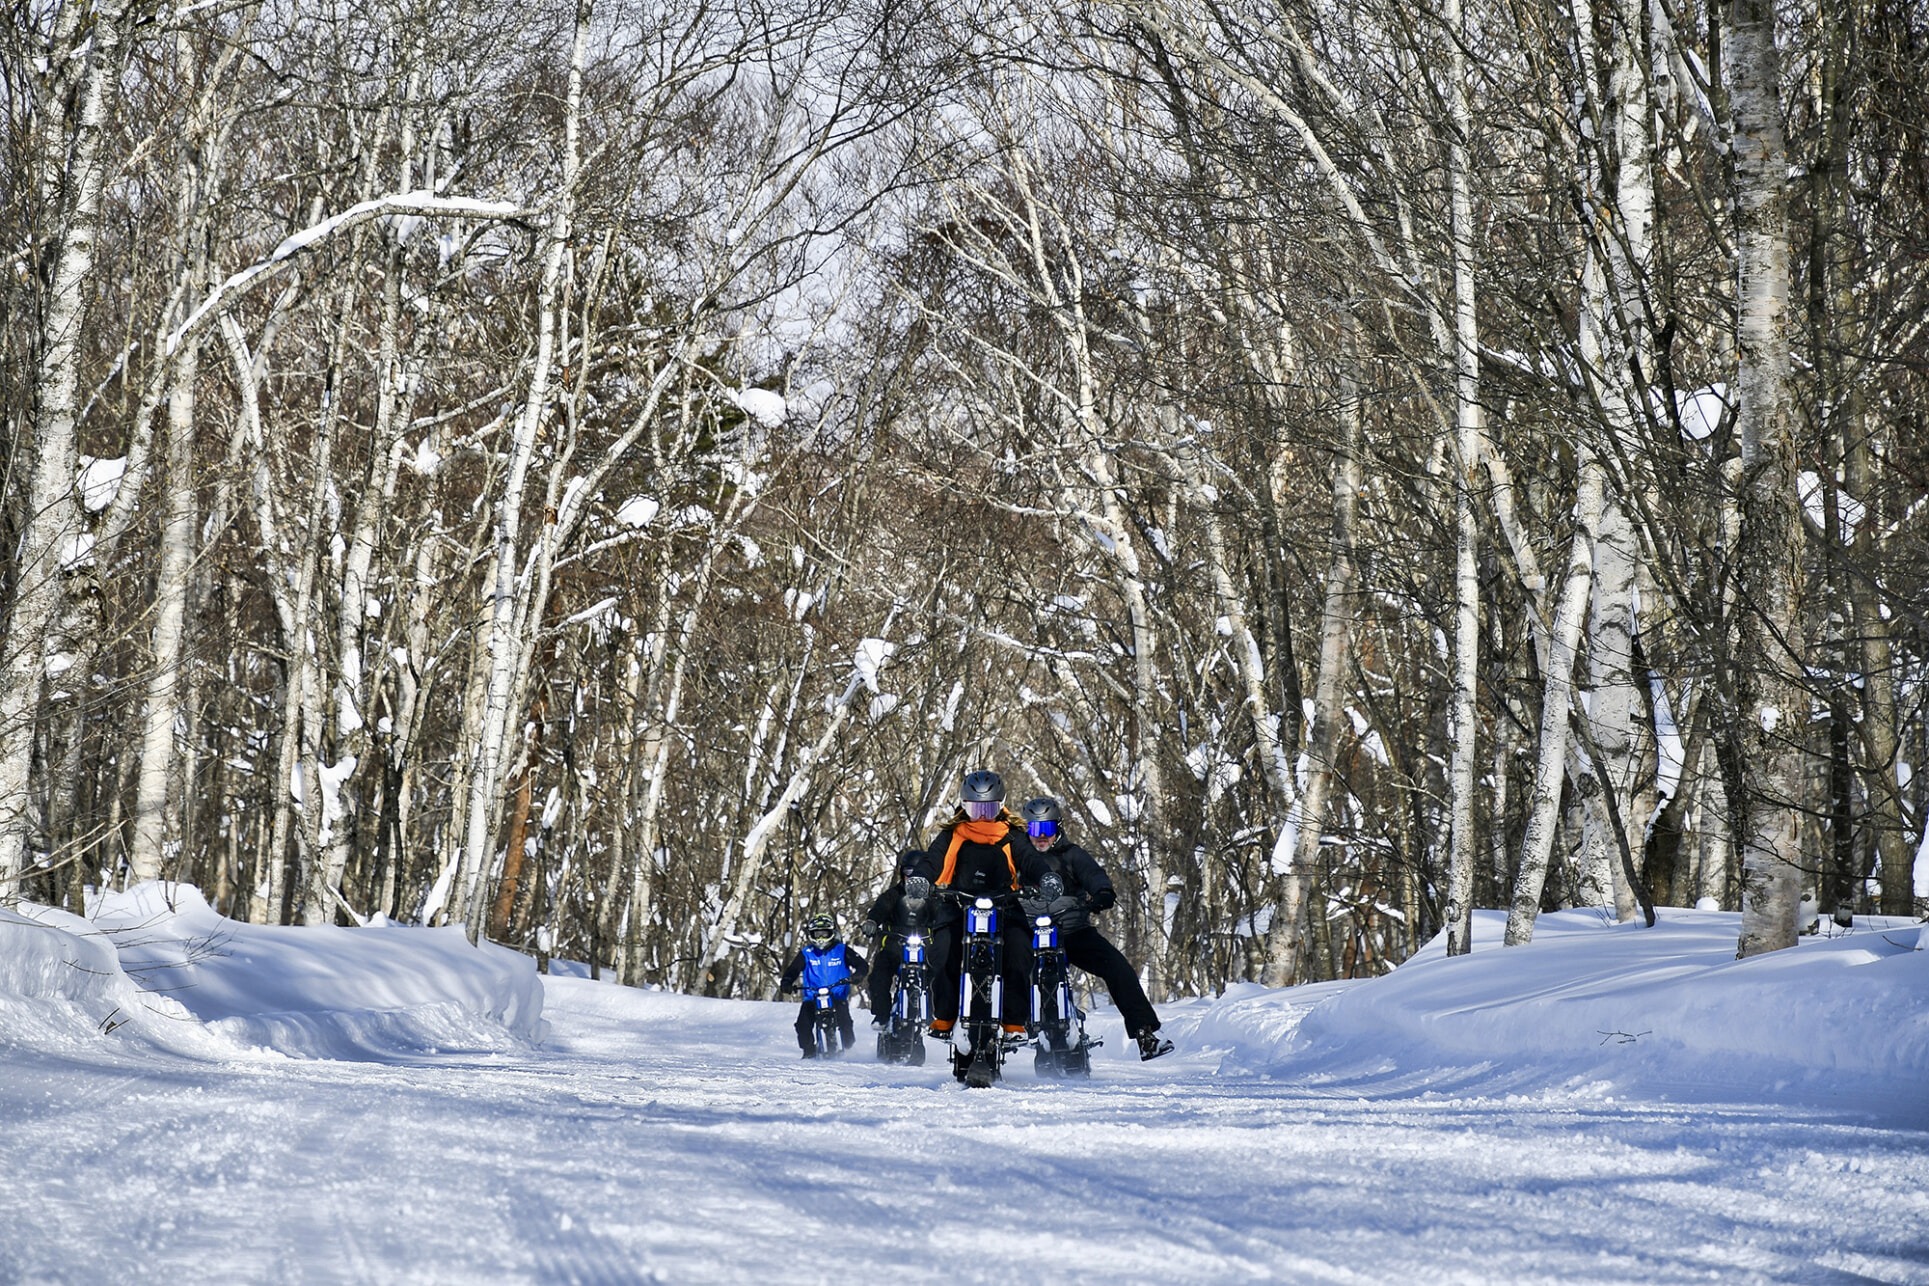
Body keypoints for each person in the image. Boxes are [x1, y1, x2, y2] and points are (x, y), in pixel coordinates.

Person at [1017, 795, 1174, 1060]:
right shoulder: (1018, 858)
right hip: (1029, 934)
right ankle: (989, 1036)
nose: (1041, 836)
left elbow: (1093, 875)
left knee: (1117, 967)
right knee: (1001, 964)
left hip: (1072, 932)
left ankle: (1145, 1035)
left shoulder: (1072, 855)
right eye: (1035, 829)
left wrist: (1102, 893)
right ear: (1026, 830)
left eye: (1048, 828)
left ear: (1058, 828)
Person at [908, 770, 1050, 1042]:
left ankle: (1013, 1022)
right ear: (964, 806)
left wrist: (1046, 877)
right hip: (958, 903)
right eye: (976, 809)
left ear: (1001, 806)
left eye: (989, 809)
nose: (983, 817)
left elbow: (1031, 859)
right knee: (942, 952)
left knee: (1020, 951)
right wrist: (920, 878)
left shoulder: (1013, 835)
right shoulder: (952, 835)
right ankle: (945, 1016)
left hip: (1004, 904)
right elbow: (932, 860)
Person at [778, 912, 869, 1057]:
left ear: (831, 933)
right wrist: (787, 982)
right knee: (803, 1025)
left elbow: (862, 965)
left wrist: (858, 975)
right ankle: (809, 1053)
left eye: (824, 934)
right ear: (811, 935)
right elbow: (793, 970)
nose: (820, 938)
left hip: (837, 996)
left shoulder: (841, 950)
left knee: (845, 1023)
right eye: (817, 934)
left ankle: (849, 1052)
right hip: (812, 997)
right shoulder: (807, 953)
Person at [860, 850, 928, 1026]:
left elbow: (944, 915)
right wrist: (872, 922)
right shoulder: (892, 895)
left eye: (917, 873)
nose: (911, 878)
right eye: (908, 872)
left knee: (943, 975)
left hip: (925, 950)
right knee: (878, 977)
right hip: (894, 948)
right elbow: (879, 910)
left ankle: (935, 1017)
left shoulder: (933, 897)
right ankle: (882, 1016)